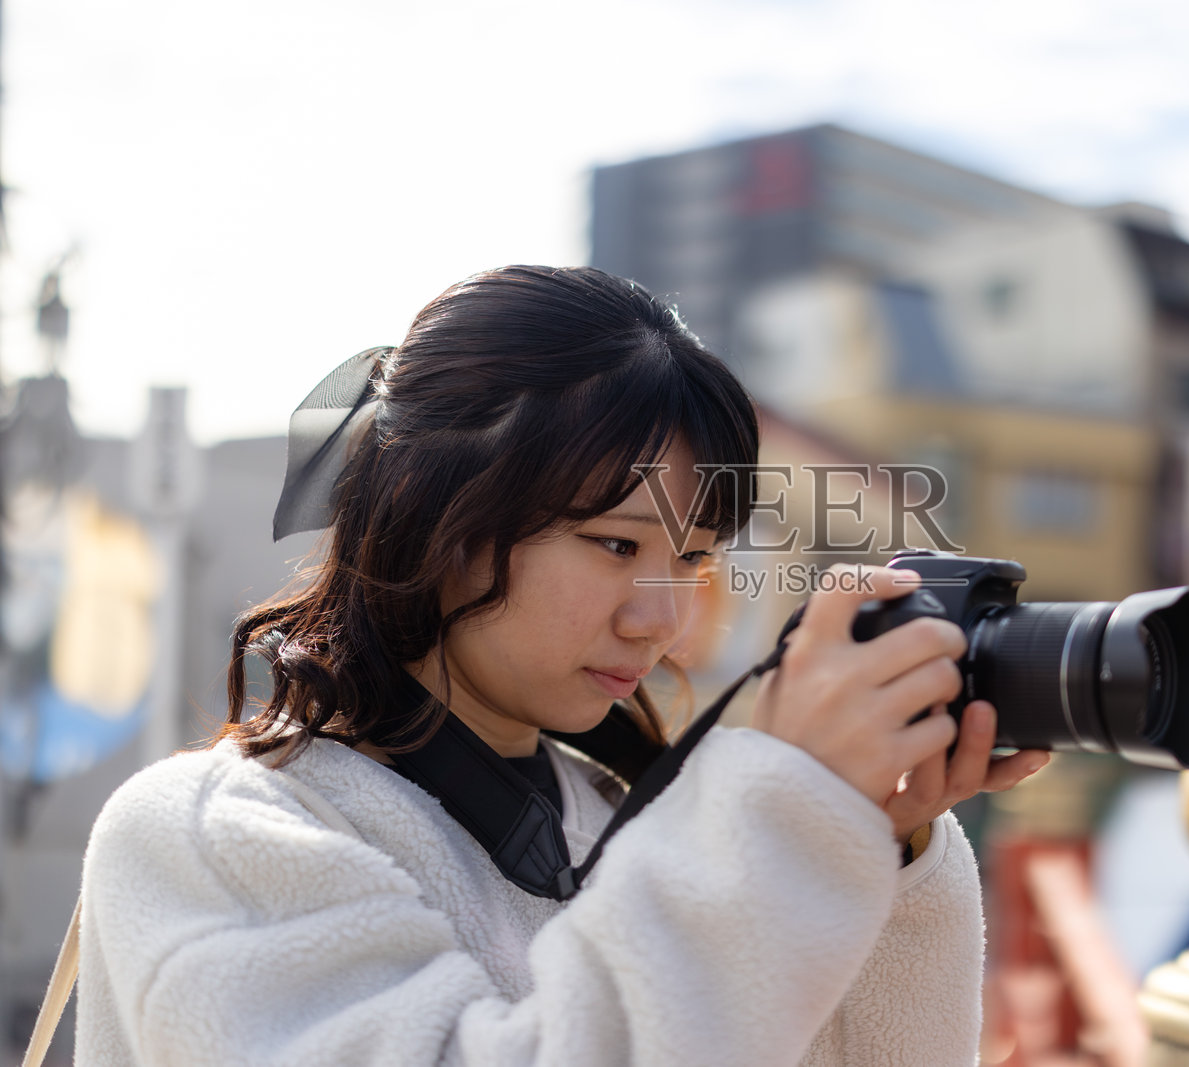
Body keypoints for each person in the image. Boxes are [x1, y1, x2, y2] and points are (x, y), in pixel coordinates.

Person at [73, 265, 1049, 1066]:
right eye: (617, 545)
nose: (662, 619)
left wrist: (880, 841)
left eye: (693, 559)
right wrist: (785, 813)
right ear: (434, 517)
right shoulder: (216, 832)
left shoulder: (627, 821)